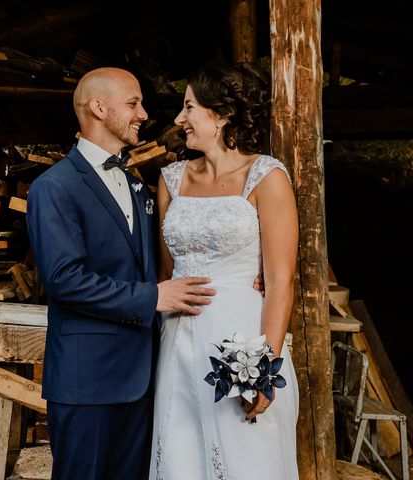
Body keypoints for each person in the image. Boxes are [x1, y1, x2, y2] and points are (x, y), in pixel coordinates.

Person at [26, 67, 215, 480]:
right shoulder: (53, 187)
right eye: (133, 103)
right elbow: (63, 280)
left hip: (144, 378)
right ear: (98, 107)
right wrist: (153, 298)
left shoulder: (133, 183)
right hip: (87, 381)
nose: (143, 113)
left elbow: (162, 260)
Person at [149, 62, 300, 479]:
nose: (179, 120)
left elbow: (281, 281)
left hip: (243, 341)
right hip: (177, 343)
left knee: (248, 458)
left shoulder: (267, 177)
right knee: (181, 459)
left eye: (189, 107)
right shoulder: (171, 179)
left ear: (221, 114)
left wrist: (265, 368)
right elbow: (167, 272)